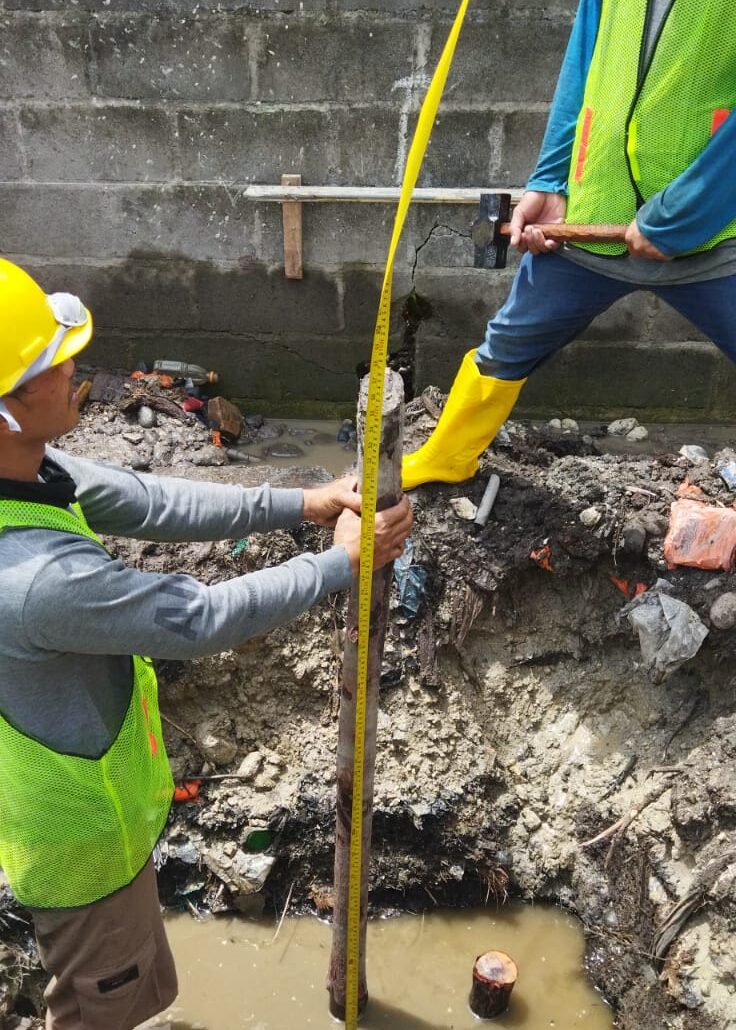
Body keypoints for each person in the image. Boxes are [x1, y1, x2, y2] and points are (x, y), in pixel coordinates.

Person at [0, 257, 413, 1030]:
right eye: (48, 366)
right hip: (82, 843)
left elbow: (151, 501)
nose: (72, 370)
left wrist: (305, 501)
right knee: (97, 1009)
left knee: (131, 993)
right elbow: (199, 618)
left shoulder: (29, 469)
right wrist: (339, 564)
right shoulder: (34, 579)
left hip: (104, 808)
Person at [403, 0, 736, 490]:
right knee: (509, 342)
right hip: (595, 209)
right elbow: (580, 70)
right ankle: (447, 456)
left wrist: (682, 215)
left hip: (715, 233)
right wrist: (551, 181)